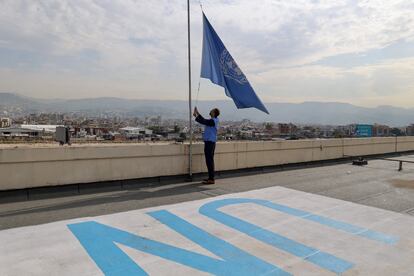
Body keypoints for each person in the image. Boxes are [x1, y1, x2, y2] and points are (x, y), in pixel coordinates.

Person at [193, 107, 220, 184]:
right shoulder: (213, 120)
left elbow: (204, 121)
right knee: (209, 160)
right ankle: (210, 178)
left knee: (209, 160)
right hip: (210, 142)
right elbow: (205, 120)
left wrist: (196, 115)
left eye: (212, 110)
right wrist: (197, 114)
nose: (210, 111)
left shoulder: (213, 121)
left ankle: (211, 179)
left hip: (210, 142)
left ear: (214, 113)